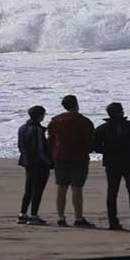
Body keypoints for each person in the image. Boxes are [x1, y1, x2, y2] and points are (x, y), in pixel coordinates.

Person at [93, 102, 130, 231]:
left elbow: (94, 146)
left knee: (112, 192)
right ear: (121, 112)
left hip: (112, 163)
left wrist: (107, 150)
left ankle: (113, 222)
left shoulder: (102, 128)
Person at [47, 95, 95, 228]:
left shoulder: (56, 120)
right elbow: (90, 140)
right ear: (76, 104)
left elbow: (51, 140)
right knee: (77, 188)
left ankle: (61, 217)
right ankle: (78, 218)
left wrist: (51, 156)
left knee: (61, 188)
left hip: (60, 157)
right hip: (79, 158)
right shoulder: (84, 121)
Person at [17, 105, 52, 225]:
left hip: (27, 162)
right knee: (37, 190)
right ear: (40, 116)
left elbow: (20, 146)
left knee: (28, 189)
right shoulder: (37, 130)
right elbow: (40, 149)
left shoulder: (22, 128)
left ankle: (22, 214)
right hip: (39, 163)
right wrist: (48, 162)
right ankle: (34, 215)